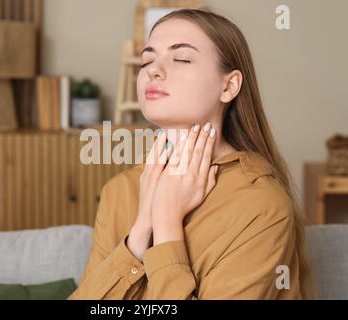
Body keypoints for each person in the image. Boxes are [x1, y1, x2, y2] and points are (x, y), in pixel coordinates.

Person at [68, 9, 312, 300]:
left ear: (229, 85)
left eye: (181, 58)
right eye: (147, 60)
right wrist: (141, 229)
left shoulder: (262, 205)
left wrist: (167, 221)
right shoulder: (120, 191)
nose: (153, 70)